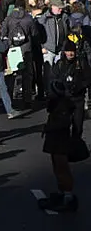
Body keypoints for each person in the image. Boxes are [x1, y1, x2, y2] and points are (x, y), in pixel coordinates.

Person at [39, 81, 82, 212]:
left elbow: (63, 123)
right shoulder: (56, 104)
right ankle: (63, 192)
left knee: (62, 168)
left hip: (60, 140)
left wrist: (49, 128)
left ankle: (67, 196)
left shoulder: (62, 105)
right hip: (55, 140)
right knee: (57, 167)